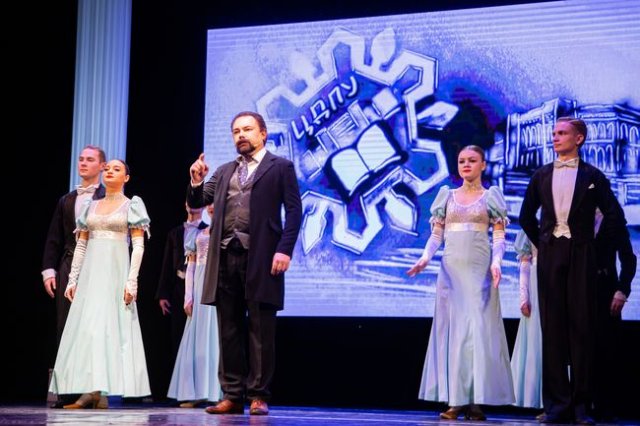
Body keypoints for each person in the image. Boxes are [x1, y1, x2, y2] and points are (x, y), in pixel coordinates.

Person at [187, 111, 302, 416]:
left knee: (261, 329)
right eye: (236, 131)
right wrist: (196, 180)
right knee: (229, 328)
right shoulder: (225, 171)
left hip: (262, 257)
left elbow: (294, 212)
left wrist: (284, 250)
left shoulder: (281, 167)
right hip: (226, 256)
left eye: (247, 129)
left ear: (263, 134)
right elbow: (198, 201)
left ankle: (258, 395)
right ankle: (232, 394)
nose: (241, 135)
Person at [519, 117, 623, 425]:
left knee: (582, 328)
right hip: (551, 253)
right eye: (554, 133)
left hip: (582, 254)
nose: (555, 137)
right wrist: (543, 240)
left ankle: (580, 406)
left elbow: (613, 214)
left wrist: (593, 245)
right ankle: (557, 405)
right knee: (552, 328)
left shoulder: (593, 176)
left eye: (562, 133)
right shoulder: (541, 174)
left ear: (578, 139)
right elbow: (525, 215)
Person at [407, 145, 515, 420]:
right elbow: (436, 235)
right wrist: (425, 258)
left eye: (472, 160)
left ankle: (476, 400)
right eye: (462, 161)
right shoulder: (447, 196)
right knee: (454, 332)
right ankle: (456, 400)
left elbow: (499, 237)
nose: (466, 164)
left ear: (483, 165)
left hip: (480, 272)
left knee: (478, 332)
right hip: (451, 272)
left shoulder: (491, 197)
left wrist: (497, 262)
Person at [49, 159, 152, 409]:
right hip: (91, 275)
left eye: (116, 169)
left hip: (115, 273)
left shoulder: (132, 205)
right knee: (88, 329)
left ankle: (102, 390)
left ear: (126, 177)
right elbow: (81, 245)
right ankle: (90, 391)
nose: (110, 172)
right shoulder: (91, 206)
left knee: (109, 328)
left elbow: (138, 246)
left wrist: (132, 280)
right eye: (107, 169)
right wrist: (73, 278)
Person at [42, 145, 106, 408]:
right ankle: (66, 392)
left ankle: (95, 391)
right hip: (69, 266)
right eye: (81, 159)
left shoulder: (109, 197)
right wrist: (49, 270)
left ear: (101, 166)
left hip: (98, 266)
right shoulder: (67, 200)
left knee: (94, 329)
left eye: (90, 159)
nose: (83, 163)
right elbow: (54, 237)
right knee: (66, 327)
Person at [167, 203, 222, 408]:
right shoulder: (199, 234)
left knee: (214, 336)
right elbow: (190, 267)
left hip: (217, 286)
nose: (212, 206)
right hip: (199, 288)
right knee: (196, 337)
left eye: (215, 201)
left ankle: (215, 392)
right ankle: (196, 391)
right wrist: (188, 297)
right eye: (209, 203)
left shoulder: (226, 232)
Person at [592, 208, 636, 421]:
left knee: (607, 348)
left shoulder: (614, 219)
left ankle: (605, 407)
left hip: (606, 290)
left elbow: (628, 258)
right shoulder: (576, 216)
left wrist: (622, 290)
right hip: (578, 289)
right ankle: (579, 405)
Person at [156, 203, 206, 367]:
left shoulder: (207, 231)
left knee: (198, 332)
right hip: (179, 287)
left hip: (199, 287)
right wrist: (163, 293)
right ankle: (179, 376)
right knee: (178, 332)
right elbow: (167, 263)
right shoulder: (175, 233)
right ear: (185, 204)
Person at [510, 229, 543, 411]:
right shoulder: (533, 225)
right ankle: (536, 396)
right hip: (537, 282)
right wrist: (524, 297)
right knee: (535, 337)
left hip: (560, 281)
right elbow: (525, 263)